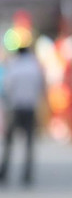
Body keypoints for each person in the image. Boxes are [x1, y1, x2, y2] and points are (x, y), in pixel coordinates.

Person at [1, 45, 46, 186]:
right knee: (29, 144)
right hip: (30, 108)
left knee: (9, 143)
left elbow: (7, 87)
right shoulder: (34, 67)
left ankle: (4, 171)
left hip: (15, 107)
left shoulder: (14, 66)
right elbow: (41, 87)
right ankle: (27, 174)